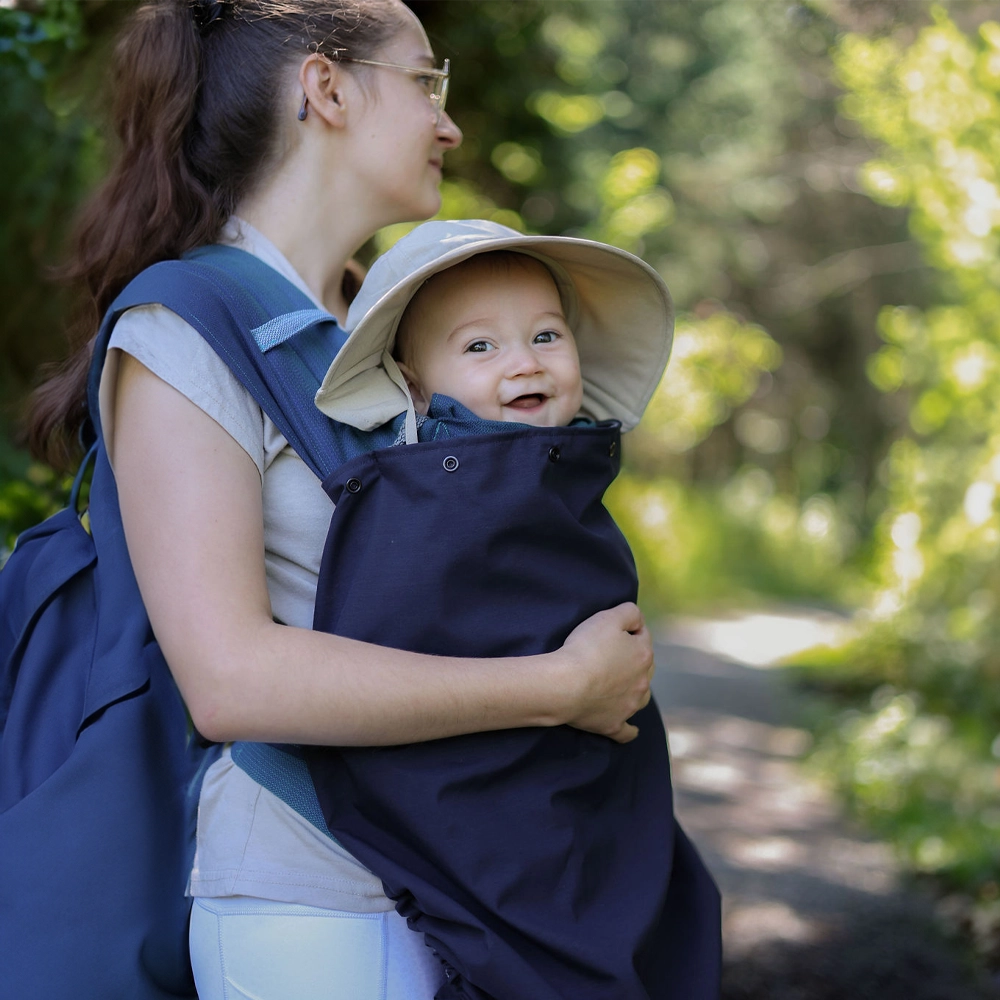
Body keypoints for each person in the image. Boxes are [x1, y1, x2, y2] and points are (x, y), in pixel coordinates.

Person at [25, 2, 663, 997]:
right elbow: (231, 677)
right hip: (316, 895)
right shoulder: (183, 327)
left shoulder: (393, 324)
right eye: (423, 84)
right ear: (325, 90)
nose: (447, 125)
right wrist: (558, 687)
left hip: (465, 876)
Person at [240, 217, 723, 999]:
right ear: (416, 384)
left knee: (666, 915)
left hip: (596, 800)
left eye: (545, 335)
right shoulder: (421, 501)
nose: (524, 362)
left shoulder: (564, 477)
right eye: (479, 347)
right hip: (488, 828)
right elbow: (401, 667)